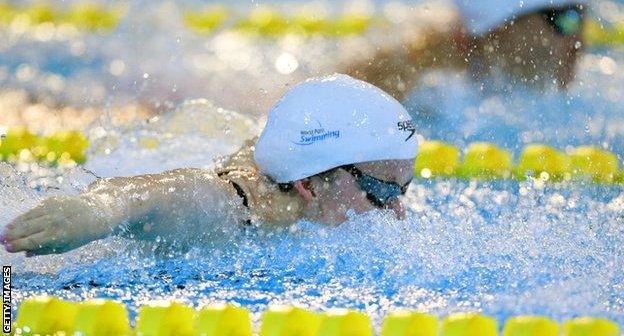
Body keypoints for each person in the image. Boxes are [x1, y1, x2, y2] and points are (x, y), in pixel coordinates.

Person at [0, 74, 418, 256]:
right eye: (381, 192)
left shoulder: (316, 170)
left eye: (404, 189)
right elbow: (180, 191)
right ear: (309, 184)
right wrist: (99, 209)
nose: (398, 210)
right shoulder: (256, 208)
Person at [344, 0, 588, 99]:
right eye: (566, 19)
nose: (578, 42)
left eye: (582, 14)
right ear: (499, 29)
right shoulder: (400, 83)